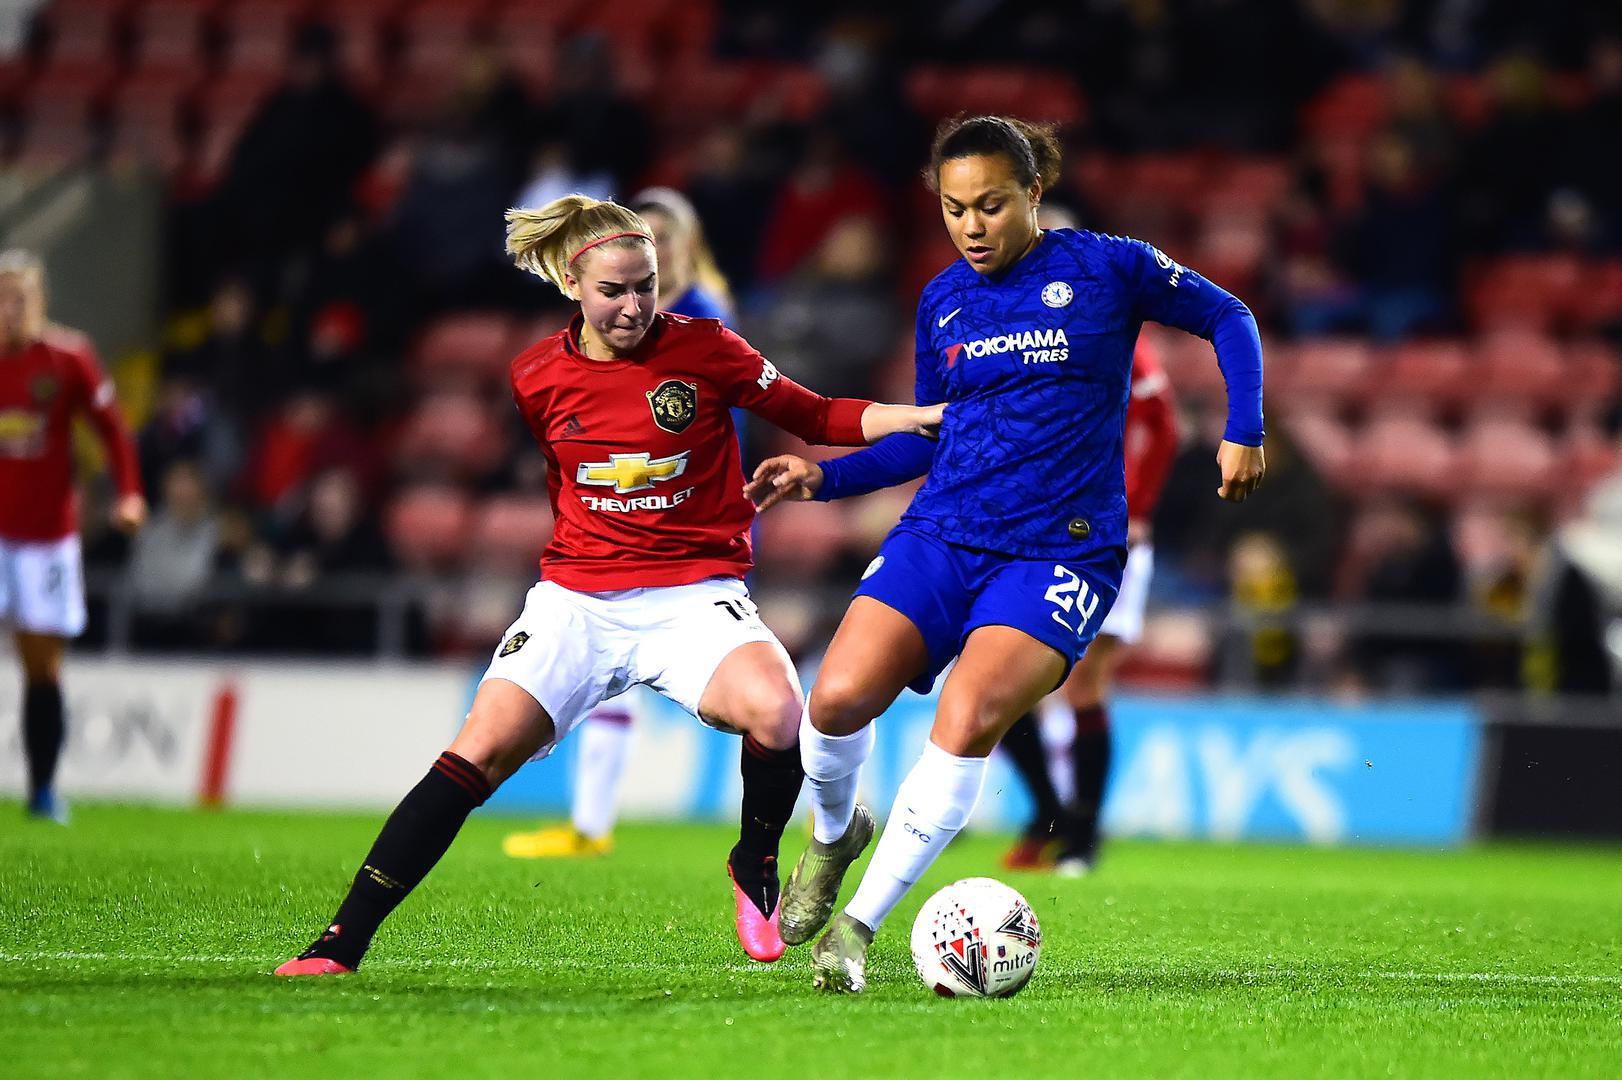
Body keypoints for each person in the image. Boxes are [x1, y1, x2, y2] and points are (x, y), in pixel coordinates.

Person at [274, 195, 944, 975]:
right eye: (613, 291)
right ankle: (340, 942)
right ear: (571, 284)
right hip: (577, 602)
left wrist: (914, 416)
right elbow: (566, 482)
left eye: (646, 288)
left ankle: (753, 867)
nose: (632, 308)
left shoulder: (709, 348)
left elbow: (817, 413)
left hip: (694, 596)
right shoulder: (533, 377)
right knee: (476, 752)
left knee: (779, 710)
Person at [746, 116, 1265, 993]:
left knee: (970, 712)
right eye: (954, 209)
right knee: (831, 702)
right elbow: (929, 436)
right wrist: (823, 479)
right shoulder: (942, 300)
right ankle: (833, 837)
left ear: (1033, 194)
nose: (972, 225)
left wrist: (1245, 430)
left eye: (990, 205)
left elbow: (1230, 315)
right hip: (942, 533)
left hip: (1058, 554)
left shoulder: (1108, 266)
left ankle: (856, 930)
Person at [501, 186, 740, 861]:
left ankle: (820, 792)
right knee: (620, 674)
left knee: (741, 686)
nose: (649, 254)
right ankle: (590, 823)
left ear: (683, 250)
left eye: (662, 241)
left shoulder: (699, 323)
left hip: (696, 525)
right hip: (641, 521)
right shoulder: (645, 319)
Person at [999, 331, 1180, 876]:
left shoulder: (1124, 344)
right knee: (995, 677)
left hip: (1106, 532)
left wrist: (1140, 508)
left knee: (1085, 683)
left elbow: (1167, 430)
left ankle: (1081, 834)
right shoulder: (1016, 336)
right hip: (1035, 528)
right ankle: (1051, 814)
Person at [0, 250, 145, 821]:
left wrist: (129, 492)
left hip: (45, 538)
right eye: (0, 300)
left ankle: (41, 788)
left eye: (19, 299)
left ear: (39, 302)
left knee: (42, 664)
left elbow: (112, 429)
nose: (8, 310)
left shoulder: (67, 359)